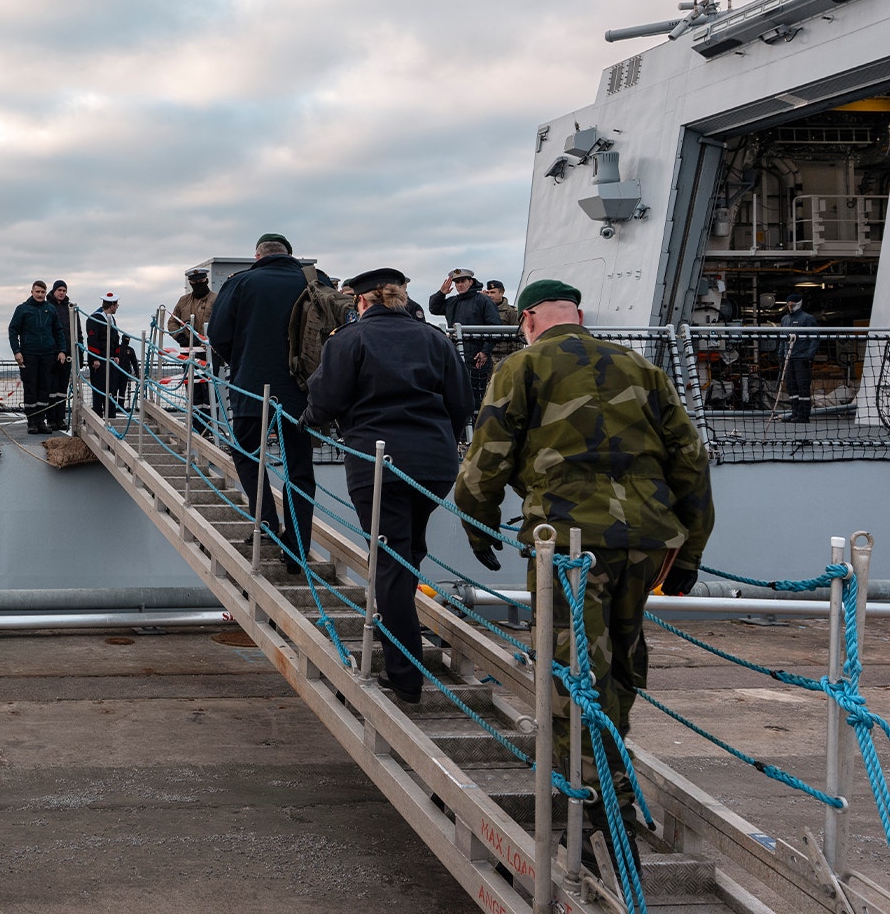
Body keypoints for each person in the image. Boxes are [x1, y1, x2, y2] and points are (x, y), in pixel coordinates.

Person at [454, 279, 713, 850]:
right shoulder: (641, 368)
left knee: (573, 667)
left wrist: (476, 522)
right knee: (620, 660)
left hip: (569, 545)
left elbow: (487, 457)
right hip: (647, 541)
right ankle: (611, 768)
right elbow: (691, 459)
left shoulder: (523, 366)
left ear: (527, 319)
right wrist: (690, 551)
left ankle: (595, 800)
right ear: (578, 312)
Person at [302, 268, 472, 704]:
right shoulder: (436, 339)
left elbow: (326, 400)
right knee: (408, 553)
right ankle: (402, 642)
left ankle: (406, 676)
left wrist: (307, 423)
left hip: (380, 464)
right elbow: (461, 403)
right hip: (435, 463)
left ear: (361, 302)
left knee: (391, 564)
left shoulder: (350, 340)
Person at [207, 233, 316, 569]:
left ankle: (266, 523)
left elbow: (217, 335)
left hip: (253, 386)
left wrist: (239, 361)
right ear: (289, 254)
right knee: (299, 470)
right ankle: (297, 549)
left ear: (258, 256)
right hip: (303, 389)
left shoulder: (241, 283)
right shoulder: (314, 280)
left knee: (246, 452)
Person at [428, 268, 502, 408]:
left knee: (478, 400)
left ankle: (475, 428)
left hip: (477, 358)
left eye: (462, 281)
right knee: (456, 398)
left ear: (470, 282)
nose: (459, 285)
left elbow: (495, 327)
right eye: (457, 283)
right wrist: (441, 293)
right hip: (456, 357)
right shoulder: (452, 302)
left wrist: (485, 351)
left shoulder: (483, 301)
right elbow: (434, 308)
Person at [8, 280, 68, 434]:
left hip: (47, 355)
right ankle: (32, 421)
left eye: (43, 292)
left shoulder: (50, 309)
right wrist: (17, 351)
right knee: (30, 389)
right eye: (37, 292)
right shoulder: (22, 309)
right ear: (32, 292)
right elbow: (13, 330)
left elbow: (59, 331)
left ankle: (41, 421)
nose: (40, 295)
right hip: (29, 355)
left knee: (44, 389)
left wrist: (62, 350)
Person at [169, 267, 217, 410]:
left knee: (209, 390)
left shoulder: (217, 299)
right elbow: (172, 322)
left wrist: (212, 341)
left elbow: (224, 322)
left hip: (210, 352)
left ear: (206, 280)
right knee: (192, 389)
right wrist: (180, 337)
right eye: (194, 282)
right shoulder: (183, 301)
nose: (197, 284)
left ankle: (211, 425)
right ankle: (195, 424)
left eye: (200, 281)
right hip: (189, 352)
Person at [85, 292, 129, 418]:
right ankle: (98, 417)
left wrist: (116, 355)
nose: (117, 307)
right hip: (99, 360)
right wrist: (95, 359)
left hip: (110, 360)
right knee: (99, 390)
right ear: (112, 306)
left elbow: (115, 338)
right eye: (116, 305)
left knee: (111, 390)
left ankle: (110, 416)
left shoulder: (111, 319)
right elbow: (93, 340)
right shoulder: (95, 318)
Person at [780, 295, 818, 422]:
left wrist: (809, 355)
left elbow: (815, 338)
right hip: (789, 357)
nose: (790, 307)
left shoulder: (807, 319)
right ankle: (795, 411)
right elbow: (782, 339)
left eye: (792, 304)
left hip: (802, 358)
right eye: (788, 304)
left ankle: (804, 414)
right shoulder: (785, 319)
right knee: (791, 386)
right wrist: (781, 353)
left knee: (803, 385)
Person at [48, 280, 78, 430]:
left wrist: (78, 354)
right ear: (54, 291)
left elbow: (77, 332)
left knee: (62, 388)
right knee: (51, 388)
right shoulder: (48, 307)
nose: (61, 293)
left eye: (64, 290)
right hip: (51, 353)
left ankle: (60, 418)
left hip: (67, 353)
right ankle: (51, 419)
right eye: (59, 290)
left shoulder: (70, 309)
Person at [483, 279, 522, 364]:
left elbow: (518, 337)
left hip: (504, 356)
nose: (489, 295)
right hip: (485, 355)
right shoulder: (483, 310)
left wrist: (514, 359)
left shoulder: (511, 312)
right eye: (488, 293)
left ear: (501, 293)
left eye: (493, 292)